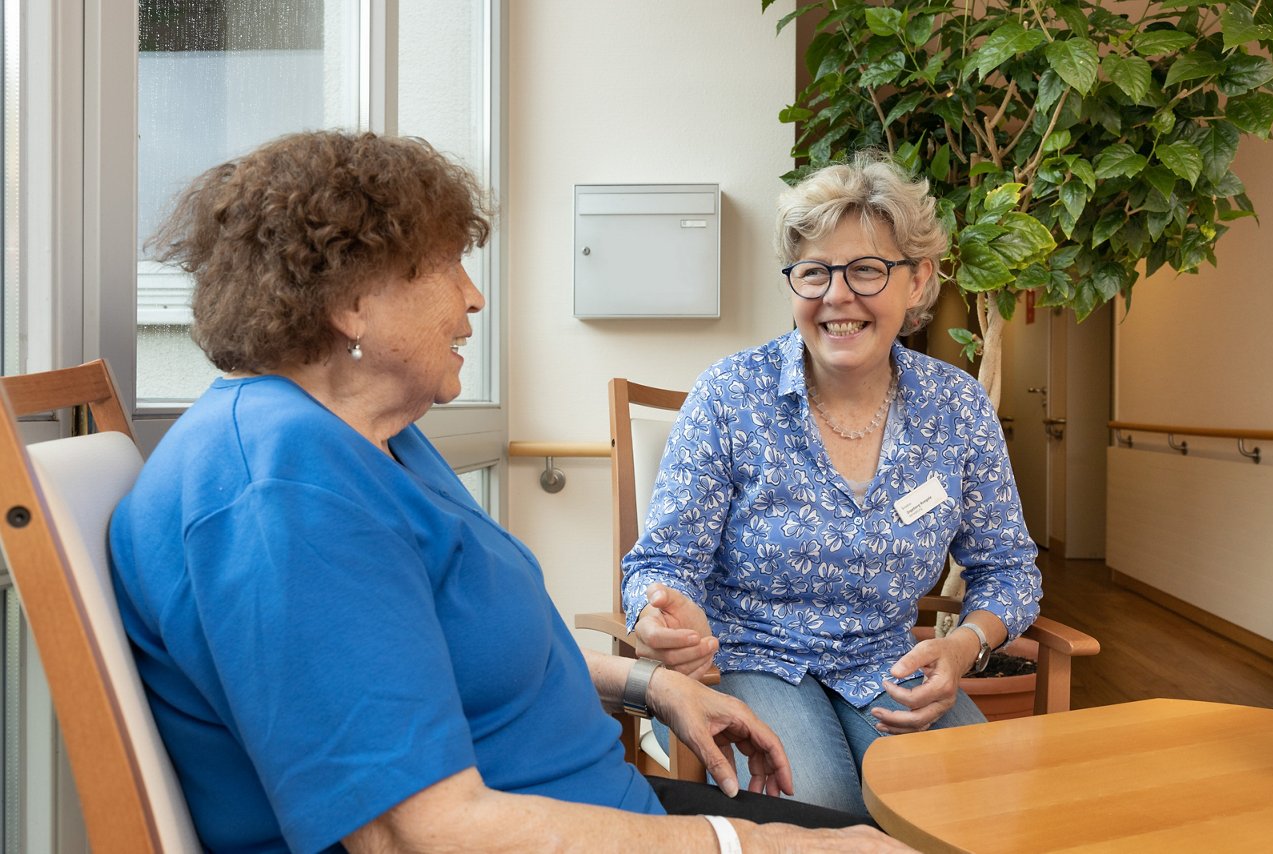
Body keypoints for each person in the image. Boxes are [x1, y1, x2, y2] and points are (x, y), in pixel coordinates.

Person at [108, 131, 913, 853]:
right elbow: (416, 833)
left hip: (599, 807)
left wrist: (650, 684)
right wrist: (749, 847)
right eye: (444, 267)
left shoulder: (366, 441)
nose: (473, 297)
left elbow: (423, 655)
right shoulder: (283, 494)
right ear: (352, 303)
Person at [621, 152, 1043, 819]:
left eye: (866, 271)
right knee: (814, 809)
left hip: (884, 660)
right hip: (747, 659)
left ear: (918, 280)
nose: (836, 297)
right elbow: (659, 565)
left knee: (974, 808)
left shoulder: (956, 407)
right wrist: (657, 613)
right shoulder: (731, 395)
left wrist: (963, 648)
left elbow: (1010, 569)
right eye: (814, 272)